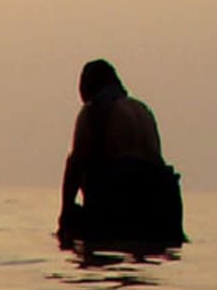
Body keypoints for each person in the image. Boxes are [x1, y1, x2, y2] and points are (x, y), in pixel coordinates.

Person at [56, 59, 186, 250]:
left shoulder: (93, 111)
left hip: (123, 202)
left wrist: (65, 215)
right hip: (165, 207)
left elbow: (75, 165)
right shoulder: (142, 109)